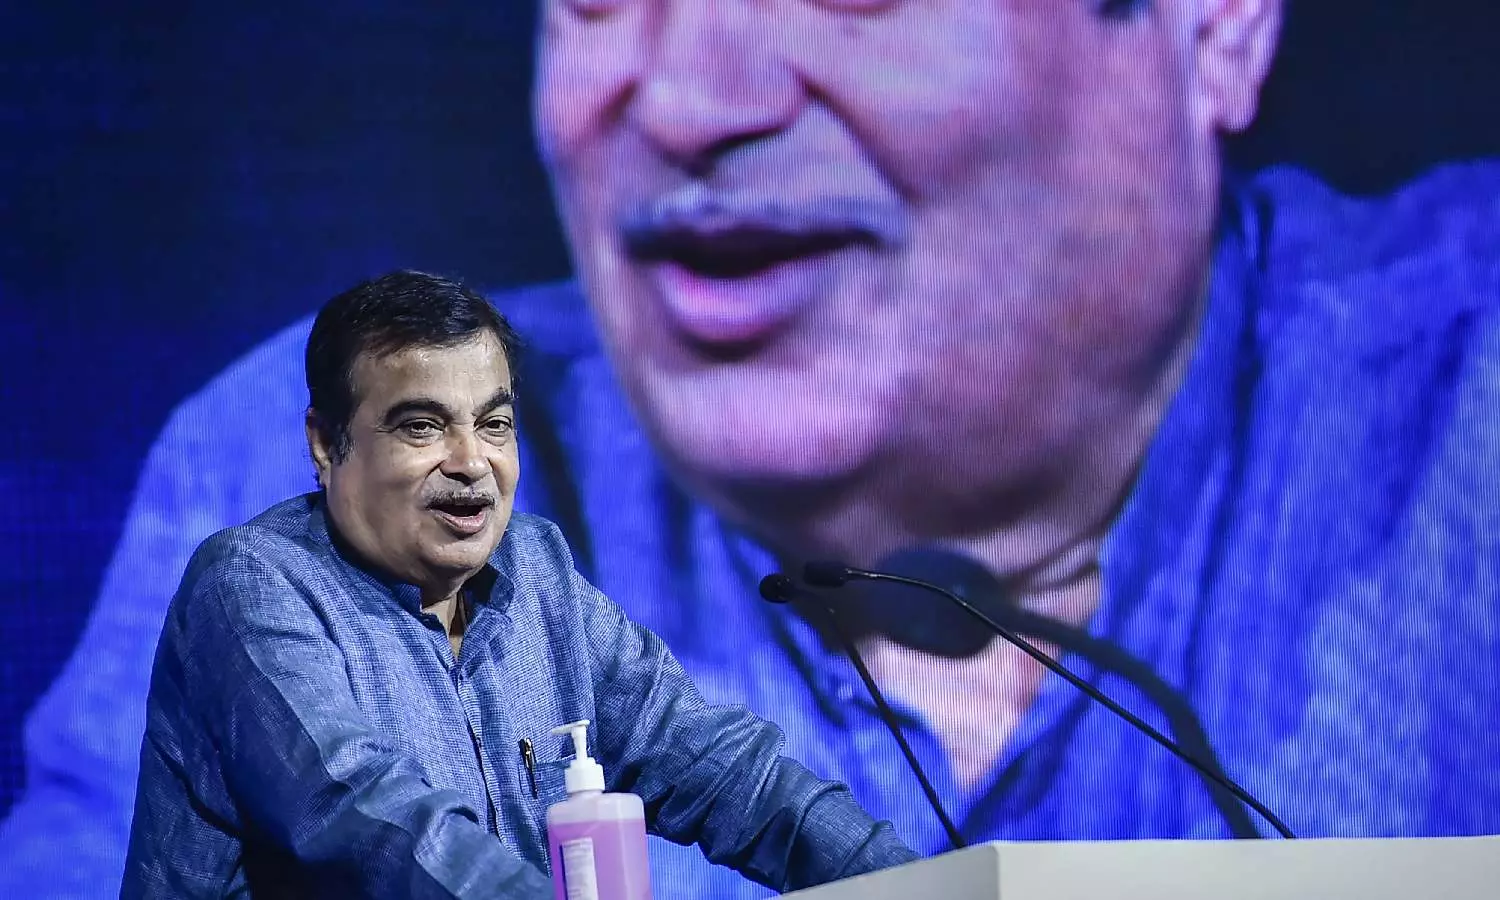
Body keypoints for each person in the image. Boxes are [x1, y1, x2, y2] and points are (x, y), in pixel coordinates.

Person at [6, 0, 1500, 896]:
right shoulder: (299, 495)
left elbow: (731, 785)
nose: (693, 100)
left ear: (1213, 21)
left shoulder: (1473, 393)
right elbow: (363, 822)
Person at [120, 273, 917, 898]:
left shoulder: (538, 573)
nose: (472, 462)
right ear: (327, 445)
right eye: (422, 425)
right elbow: (365, 816)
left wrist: (921, 886)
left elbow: (725, 772)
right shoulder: (253, 586)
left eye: (494, 424)